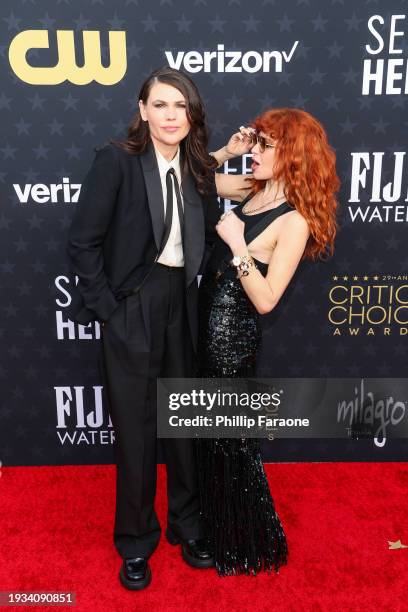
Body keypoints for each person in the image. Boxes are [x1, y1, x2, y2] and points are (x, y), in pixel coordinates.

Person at [66, 67, 222, 590]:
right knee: (135, 434)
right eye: (160, 104)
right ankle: (135, 541)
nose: (171, 115)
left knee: (183, 426)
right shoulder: (117, 161)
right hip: (132, 305)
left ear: (191, 114)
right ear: (142, 110)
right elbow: (83, 243)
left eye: (180, 106)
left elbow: (208, 238)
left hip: (184, 303)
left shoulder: (198, 169)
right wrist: (109, 308)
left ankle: (188, 524)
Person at [196, 108, 340, 576]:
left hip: (231, 340)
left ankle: (242, 540)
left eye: (264, 146)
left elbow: (267, 300)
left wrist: (238, 246)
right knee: (208, 435)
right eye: (254, 142)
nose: (254, 152)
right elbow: (191, 180)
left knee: (230, 439)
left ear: (292, 155)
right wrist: (227, 152)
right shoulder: (249, 190)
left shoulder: (293, 221)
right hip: (199, 329)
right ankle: (215, 527)